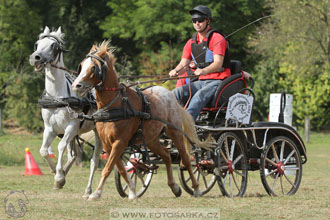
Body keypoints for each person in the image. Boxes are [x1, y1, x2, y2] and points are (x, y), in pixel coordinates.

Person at [169, 5, 231, 120]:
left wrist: (203, 71)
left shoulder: (217, 38)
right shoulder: (191, 42)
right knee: (176, 93)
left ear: (208, 21)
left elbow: (218, 63)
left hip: (218, 81)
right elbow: (183, 64)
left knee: (198, 96)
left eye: (200, 20)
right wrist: (175, 71)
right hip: (200, 82)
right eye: (194, 20)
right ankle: (167, 122)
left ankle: (186, 127)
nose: (197, 23)